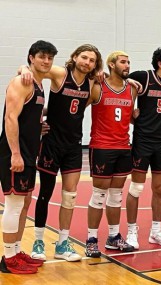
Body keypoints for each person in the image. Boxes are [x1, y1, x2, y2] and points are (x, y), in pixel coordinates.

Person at [19, 44, 102, 262]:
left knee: (70, 196)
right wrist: (23, 69)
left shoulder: (92, 83)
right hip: (51, 144)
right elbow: (33, 69)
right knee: (45, 193)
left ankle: (63, 243)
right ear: (74, 57)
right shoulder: (60, 74)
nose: (87, 62)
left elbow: (77, 108)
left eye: (92, 60)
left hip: (73, 146)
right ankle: (38, 240)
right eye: (84, 57)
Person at [0, 40, 58, 274]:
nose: (46, 61)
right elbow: (10, 119)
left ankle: (15, 250)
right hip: (15, 152)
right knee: (14, 204)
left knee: (23, 204)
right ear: (31, 58)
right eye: (41, 56)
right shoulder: (21, 82)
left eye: (50, 57)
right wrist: (15, 153)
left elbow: (27, 115)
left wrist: (37, 126)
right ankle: (7, 258)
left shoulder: (38, 85)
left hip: (29, 150)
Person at [125, 47, 161, 249]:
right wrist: (131, 112)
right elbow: (115, 78)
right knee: (136, 188)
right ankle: (132, 231)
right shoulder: (143, 77)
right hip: (142, 141)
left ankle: (156, 231)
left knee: (159, 189)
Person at [85, 51, 137, 257]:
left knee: (116, 197)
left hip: (124, 147)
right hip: (101, 147)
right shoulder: (98, 86)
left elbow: (127, 117)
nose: (127, 65)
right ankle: (91, 239)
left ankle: (114, 237)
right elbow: (77, 106)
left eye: (128, 62)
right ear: (111, 65)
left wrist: (135, 117)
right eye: (123, 62)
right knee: (98, 196)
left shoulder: (132, 89)